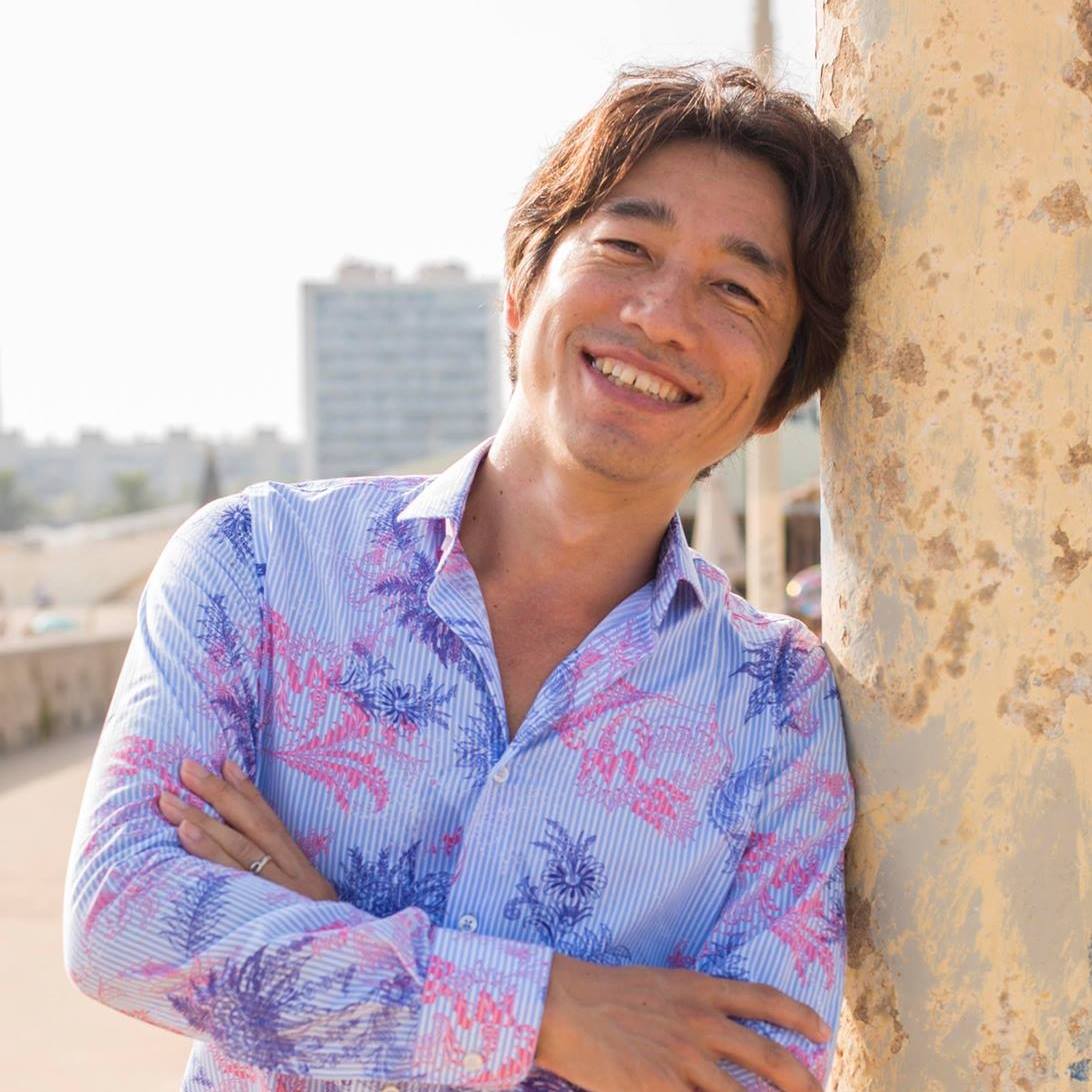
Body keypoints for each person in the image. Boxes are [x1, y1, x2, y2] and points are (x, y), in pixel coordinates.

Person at [63, 62, 859, 1092]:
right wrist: (555, 1015)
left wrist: (325, 936)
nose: (662, 316)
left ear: (777, 399)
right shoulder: (258, 565)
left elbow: (758, 1077)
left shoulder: (780, 711)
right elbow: (123, 914)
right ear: (522, 289)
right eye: (626, 247)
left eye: (737, 291)